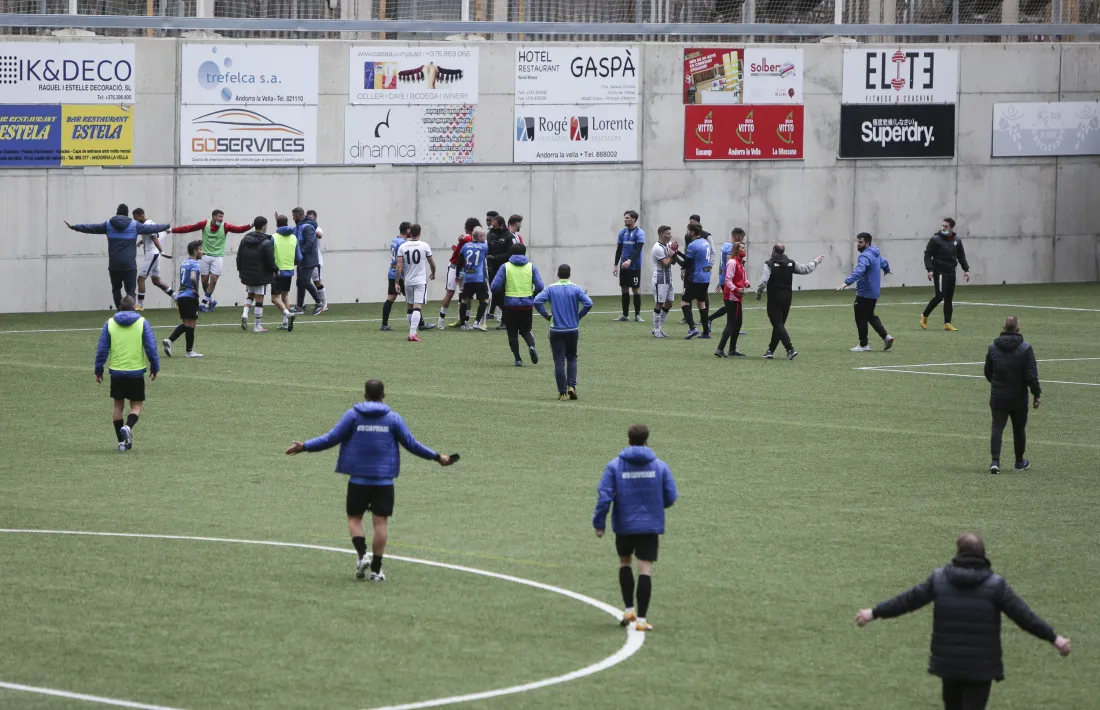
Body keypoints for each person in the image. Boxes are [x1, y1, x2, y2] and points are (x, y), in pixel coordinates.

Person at [855, 532, 1070, 710]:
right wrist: (1055, 638)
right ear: (983, 555)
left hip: (949, 664)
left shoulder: (939, 580)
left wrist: (873, 613)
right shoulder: (996, 586)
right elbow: (1025, 618)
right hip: (981, 667)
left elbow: (907, 601)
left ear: (958, 553)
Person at [285, 379, 454, 581]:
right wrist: (437, 457)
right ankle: (376, 570)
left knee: (355, 518)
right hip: (384, 481)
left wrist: (304, 446)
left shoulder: (353, 416)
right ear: (384, 396)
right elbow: (412, 444)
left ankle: (362, 555)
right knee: (380, 522)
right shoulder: (393, 419)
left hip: (358, 480)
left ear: (364, 395)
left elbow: (330, 438)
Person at [593, 424, 678, 632]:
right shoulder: (660, 466)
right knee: (645, 570)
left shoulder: (614, 466)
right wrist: (655, 506)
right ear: (647, 441)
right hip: (649, 526)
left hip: (624, 525)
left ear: (628, 441)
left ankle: (628, 609)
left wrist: (599, 523)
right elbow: (671, 496)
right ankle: (641, 619)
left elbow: (604, 497)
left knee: (625, 563)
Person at [65, 204, 170, 310]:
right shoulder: (134, 225)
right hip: (129, 265)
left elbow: (91, 228)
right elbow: (152, 228)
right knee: (130, 291)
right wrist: (167, 226)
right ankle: (130, 312)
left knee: (116, 289)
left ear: (117, 213)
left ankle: (120, 311)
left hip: (114, 265)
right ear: (127, 213)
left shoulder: (108, 224)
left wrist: (74, 227)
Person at [94, 295, 160, 452]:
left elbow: (102, 349)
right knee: (136, 405)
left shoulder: (109, 323)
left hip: (117, 372)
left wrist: (99, 369)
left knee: (118, 406)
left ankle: (121, 443)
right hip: (135, 371)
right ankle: (128, 427)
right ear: (134, 307)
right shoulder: (142, 322)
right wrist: (154, 366)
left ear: (120, 307)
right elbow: (151, 347)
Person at [984, 317, 1041, 474]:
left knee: (997, 426)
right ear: (1018, 329)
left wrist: (997, 384)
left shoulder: (992, 348)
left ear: (1003, 327)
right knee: (1019, 429)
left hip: (998, 395)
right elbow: (1032, 376)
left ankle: (995, 461)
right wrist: (1036, 394)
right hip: (1018, 396)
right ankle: (1019, 462)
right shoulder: (1026, 349)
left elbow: (987, 372)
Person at [170, 209, 250, 312]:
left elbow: (239, 229)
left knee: (213, 279)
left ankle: (203, 303)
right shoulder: (204, 224)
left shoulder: (225, 226)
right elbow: (189, 228)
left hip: (218, 257)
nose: (221, 219)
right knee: (204, 281)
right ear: (214, 217)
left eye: (222, 217)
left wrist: (250, 225)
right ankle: (211, 300)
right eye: (220, 216)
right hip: (205, 255)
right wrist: (172, 230)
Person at [534, 264, 593, 400]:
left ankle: (562, 393)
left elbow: (537, 301)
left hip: (556, 329)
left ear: (558, 274)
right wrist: (579, 316)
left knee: (559, 360)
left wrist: (545, 315)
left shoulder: (551, 288)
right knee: (572, 358)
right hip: (572, 329)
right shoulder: (576, 288)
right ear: (569, 274)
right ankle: (571, 386)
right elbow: (588, 303)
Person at [756, 244, 823, 361]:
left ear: (773, 251)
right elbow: (806, 269)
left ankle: (790, 349)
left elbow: (763, 281)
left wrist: (759, 293)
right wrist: (816, 261)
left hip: (774, 298)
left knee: (777, 324)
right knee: (779, 325)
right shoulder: (791, 263)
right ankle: (770, 350)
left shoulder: (769, 264)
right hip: (787, 298)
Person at [838, 232, 895, 353]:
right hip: (874, 292)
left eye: (860, 242)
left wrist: (847, 282)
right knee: (870, 315)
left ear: (867, 243)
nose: (857, 245)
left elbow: (859, 270)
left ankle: (864, 344)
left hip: (865, 292)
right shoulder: (875, 253)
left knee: (860, 317)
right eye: (857, 242)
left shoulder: (865, 256)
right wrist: (886, 269)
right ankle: (886, 337)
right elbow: (884, 262)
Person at [491, 243, 546, 366]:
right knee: (526, 330)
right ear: (524, 253)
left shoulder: (505, 267)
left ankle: (518, 359)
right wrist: (532, 294)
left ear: (511, 253)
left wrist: (502, 295)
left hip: (510, 305)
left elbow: (494, 287)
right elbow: (540, 286)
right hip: (527, 304)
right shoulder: (532, 267)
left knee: (512, 333)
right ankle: (531, 346)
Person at [922, 217, 970, 332]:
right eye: (943, 226)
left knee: (949, 298)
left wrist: (966, 270)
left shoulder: (957, 240)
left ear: (951, 227)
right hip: (939, 272)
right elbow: (927, 255)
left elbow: (961, 256)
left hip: (951, 272)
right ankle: (924, 315)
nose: (943, 228)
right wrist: (930, 270)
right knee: (940, 296)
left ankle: (947, 323)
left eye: (946, 226)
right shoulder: (935, 239)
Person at [163, 240, 205, 358]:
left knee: (187, 324)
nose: (202, 252)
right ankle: (187, 350)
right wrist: (196, 290)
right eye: (200, 250)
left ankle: (173, 343)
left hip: (181, 296)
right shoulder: (195, 264)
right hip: (190, 296)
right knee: (191, 324)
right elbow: (192, 277)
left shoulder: (184, 262)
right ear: (195, 251)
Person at [395, 224, 436, 342]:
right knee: (417, 308)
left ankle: (412, 331)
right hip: (420, 281)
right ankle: (412, 333)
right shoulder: (424, 245)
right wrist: (433, 273)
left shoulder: (403, 246)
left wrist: (397, 283)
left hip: (408, 281)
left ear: (410, 233)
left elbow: (399, 266)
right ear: (420, 233)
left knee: (409, 307)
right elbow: (432, 263)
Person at [236, 216, 277, 334]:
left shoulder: (245, 239)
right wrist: (275, 270)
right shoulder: (266, 241)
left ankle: (244, 314)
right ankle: (257, 326)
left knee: (250, 295)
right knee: (259, 299)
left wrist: (240, 271)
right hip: (261, 275)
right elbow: (270, 260)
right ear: (264, 226)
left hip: (247, 274)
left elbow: (239, 257)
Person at [132, 207, 174, 311]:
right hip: (153, 255)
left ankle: (140, 305)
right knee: (156, 281)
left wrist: (162, 251)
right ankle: (177, 298)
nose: (135, 221)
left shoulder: (147, 224)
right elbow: (153, 236)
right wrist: (141, 242)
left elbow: (154, 238)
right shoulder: (148, 223)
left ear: (141, 215)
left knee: (140, 279)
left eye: (136, 218)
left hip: (152, 255)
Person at [439, 218, 477, 329]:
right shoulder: (468, 238)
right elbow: (465, 239)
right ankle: (441, 319)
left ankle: (464, 320)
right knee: (450, 292)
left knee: (466, 294)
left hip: (466, 268)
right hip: (454, 267)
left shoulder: (473, 239)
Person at [715, 241, 749, 358]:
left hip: (737, 297)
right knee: (731, 323)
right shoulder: (732, 262)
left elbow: (743, 277)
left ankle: (732, 349)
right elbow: (728, 279)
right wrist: (736, 289)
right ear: (737, 250)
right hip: (731, 297)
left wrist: (747, 283)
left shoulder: (740, 263)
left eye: (744, 248)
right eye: (742, 248)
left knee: (738, 323)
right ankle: (720, 349)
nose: (744, 250)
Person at [709, 228, 745, 329]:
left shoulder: (725, 244)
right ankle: (711, 320)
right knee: (733, 306)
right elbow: (730, 264)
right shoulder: (730, 247)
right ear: (737, 236)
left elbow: (722, 264)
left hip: (724, 278)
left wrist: (721, 278)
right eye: (741, 238)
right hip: (730, 281)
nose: (742, 242)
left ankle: (733, 326)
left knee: (731, 306)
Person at [682, 224, 714, 340]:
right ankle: (706, 332)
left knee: (684, 303)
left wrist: (673, 255)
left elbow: (686, 264)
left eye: (688, 231)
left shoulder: (692, 245)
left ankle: (692, 328)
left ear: (692, 232)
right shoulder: (705, 242)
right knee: (701, 304)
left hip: (696, 278)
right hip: (706, 278)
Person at [613, 210, 645, 322]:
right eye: (625, 218)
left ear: (633, 219)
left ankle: (637, 315)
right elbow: (619, 249)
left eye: (627, 218)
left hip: (635, 266)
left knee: (635, 290)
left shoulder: (639, 233)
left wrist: (630, 261)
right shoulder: (622, 233)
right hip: (624, 267)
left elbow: (638, 249)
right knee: (624, 289)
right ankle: (625, 315)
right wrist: (615, 265)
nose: (625, 220)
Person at [486, 214, 518, 326]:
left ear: (502, 225)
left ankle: (505, 320)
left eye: (495, 225)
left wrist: (495, 258)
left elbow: (511, 254)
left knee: (503, 294)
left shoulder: (509, 237)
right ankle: (504, 317)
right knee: (495, 292)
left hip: (504, 268)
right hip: (492, 269)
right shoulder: (490, 234)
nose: (492, 227)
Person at [458, 226, 490, 331]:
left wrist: (458, 274)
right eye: (484, 235)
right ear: (480, 236)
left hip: (468, 278)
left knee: (464, 300)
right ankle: (477, 322)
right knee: (485, 300)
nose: (485, 237)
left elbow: (460, 261)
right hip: (479, 278)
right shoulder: (484, 247)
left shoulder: (465, 246)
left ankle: (463, 324)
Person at [271, 215, 299, 332]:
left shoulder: (273, 237)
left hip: (277, 271)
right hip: (289, 270)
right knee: (285, 296)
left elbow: (269, 255)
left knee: (275, 298)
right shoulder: (294, 238)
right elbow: (299, 257)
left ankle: (288, 315)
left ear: (277, 224)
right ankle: (285, 323)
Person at [649, 226, 679, 338]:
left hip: (669, 277)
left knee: (669, 302)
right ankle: (656, 330)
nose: (670, 235)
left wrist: (675, 252)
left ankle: (658, 327)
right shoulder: (657, 248)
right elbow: (665, 263)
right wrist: (671, 254)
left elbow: (673, 262)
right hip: (660, 278)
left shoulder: (668, 245)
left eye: (670, 233)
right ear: (661, 234)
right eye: (668, 233)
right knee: (659, 303)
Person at [381, 222, 410, 332]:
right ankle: (419, 323)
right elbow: (400, 262)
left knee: (390, 299)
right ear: (407, 230)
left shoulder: (394, 240)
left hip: (391, 272)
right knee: (412, 299)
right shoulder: (403, 243)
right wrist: (404, 276)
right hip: (399, 273)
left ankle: (384, 324)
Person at [305, 209, 328, 315]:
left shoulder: (316, 227)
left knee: (317, 281)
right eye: (307, 217)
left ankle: (324, 304)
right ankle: (302, 305)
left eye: (311, 218)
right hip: (307, 259)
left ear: (315, 218)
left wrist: (311, 227)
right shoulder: (303, 227)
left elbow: (320, 234)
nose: (308, 220)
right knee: (304, 281)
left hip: (316, 259)